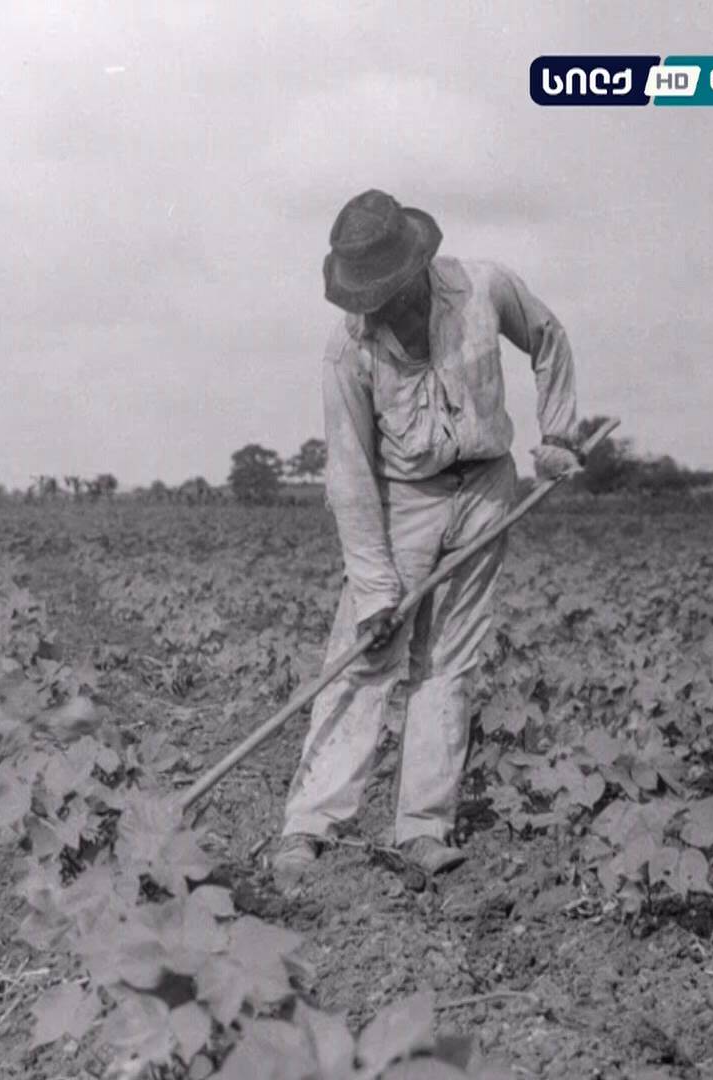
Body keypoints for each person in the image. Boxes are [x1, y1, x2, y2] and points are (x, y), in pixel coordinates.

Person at [271, 190, 583, 888]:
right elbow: (350, 474)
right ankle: (308, 827)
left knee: (448, 662)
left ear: (415, 268)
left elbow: (550, 338)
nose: (375, 308)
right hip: (402, 498)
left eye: (384, 291)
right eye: (365, 296)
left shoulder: (485, 289)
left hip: (486, 489)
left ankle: (422, 828)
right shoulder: (347, 350)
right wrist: (376, 592)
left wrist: (559, 434)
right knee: (364, 658)